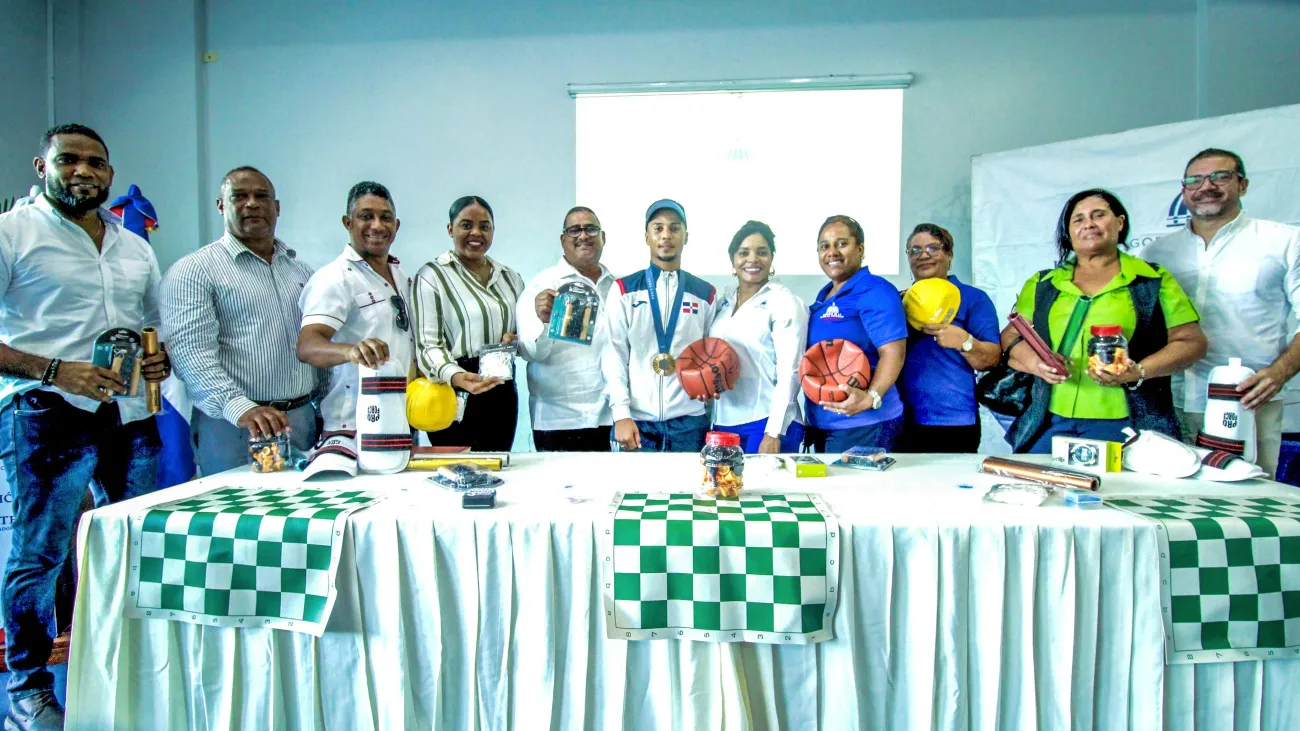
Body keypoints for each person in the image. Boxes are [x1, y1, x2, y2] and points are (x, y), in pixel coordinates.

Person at [0, 124, 172, 730]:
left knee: (137, 545)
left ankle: (128, 670)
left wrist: (158, 360)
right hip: (46, 415)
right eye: (68, 159)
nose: (83, 171)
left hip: (128, 416)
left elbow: (152, 328)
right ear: (41, 166)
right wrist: (54, 370)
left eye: (96, 163)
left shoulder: (133, 246)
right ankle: (28, 688)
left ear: (110, 173)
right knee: (42, 555)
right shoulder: (12, 233)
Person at [1001, 189, 1207, 453]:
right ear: (1068, 233)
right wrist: (1037, 364)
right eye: (1078, 219)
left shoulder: (1151, 281)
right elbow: (1011, 337)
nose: (1088, 224)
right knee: (1038, 479)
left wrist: (1138, 371)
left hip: (1129, 422)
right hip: (1048, 420)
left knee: (1118, 482)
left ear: (1119, 223)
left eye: (1098, 215)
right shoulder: (1043, 284)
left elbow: (1191, 342)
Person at [1141, 148, 1300, 477]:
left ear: (1242, 184)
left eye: (1220, 176)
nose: (1206, 186)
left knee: (1248, 498)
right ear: (1183, 190)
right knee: (1171, 496)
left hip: (1248, 401)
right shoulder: (1157, 253)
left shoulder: (1285, 241)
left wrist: (1279, 372)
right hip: (1170, 401)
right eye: (1195, 180)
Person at [161, 166, 321, 475]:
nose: (252, 204)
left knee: (305, 505)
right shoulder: (193, 271)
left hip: (301, 421)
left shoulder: (301, 272)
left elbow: (318, 346)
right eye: (239, 197)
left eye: (262, 196)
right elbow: (191, 355)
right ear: (221, 206)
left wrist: (326, 408)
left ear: (277, 207)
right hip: (234, 426)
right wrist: (241, 408)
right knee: (239, 506)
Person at [295, 182, 414, 470]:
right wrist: (351, 351)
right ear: (348, 223)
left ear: (397, 226)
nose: (377, 225)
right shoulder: (334, 278)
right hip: (354, 426)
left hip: (400, 422)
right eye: (366, 216)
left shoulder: (400, 275)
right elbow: (307, 346)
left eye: (385, 217)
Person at [602, 199, 717, 452]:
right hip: (637, 422)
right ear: (647, 237)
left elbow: (709, 354)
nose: (666, 235)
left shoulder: (705, 294)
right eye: (658, 228)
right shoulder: (624, 290)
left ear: (686, 237)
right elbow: (614, 354)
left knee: (691, 481)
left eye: (674, 228)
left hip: (690, 422)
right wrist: (621, 414)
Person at [412, 196, 525, 451]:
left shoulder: (510, 278)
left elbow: (524, 332)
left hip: (502, 388)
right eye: (466, 225)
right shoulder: (432, 276)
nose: (476, 233)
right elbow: (428, 345)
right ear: (450, 229)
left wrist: (517, 339)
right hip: (455, 388)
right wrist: (457, 377)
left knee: (498, 465)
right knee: (457, 468)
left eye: (484, 226)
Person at [804, 215, 907, 454]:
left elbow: (894, 352)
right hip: (825, 422)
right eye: (824, 246)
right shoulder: (825, 296)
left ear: (860, 249)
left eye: (842, 244)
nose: (832, 252)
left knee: (849, 481)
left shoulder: (875, 290)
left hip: (864, 423)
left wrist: (871, 398)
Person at [515, 206, 615, 451]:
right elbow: (530, 352)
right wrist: (545, 322)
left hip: (608, 416)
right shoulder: (541, 286)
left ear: (603, 237)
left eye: (591, 229)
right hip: (557, 419)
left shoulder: (616, 288)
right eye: (574, 230)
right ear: (563, 240)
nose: (584, 235)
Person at [895, 223, 1001, 453]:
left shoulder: (973, 298)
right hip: (899, 419)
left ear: (949, 254)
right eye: (915, 250)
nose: (923, 255)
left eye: (933, 248)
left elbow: (992, 359)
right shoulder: (897, 301)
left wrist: (965, 342)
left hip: (953, 421)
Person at [708, 220, 807, 454]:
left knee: (764, 480)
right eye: (744, 253)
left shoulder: (785, 302)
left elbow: (791, 371)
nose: (752, 259)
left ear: (771, 258)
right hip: (723, 422)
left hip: (767, 422)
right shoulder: (723, 303)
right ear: (733, 259)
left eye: (762, 252)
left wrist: (774, 432)